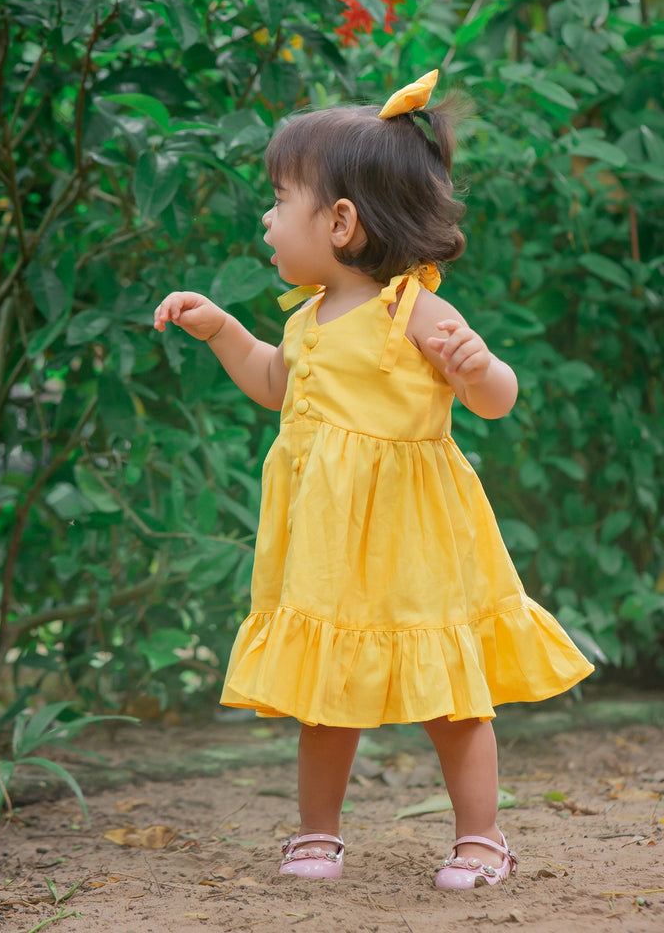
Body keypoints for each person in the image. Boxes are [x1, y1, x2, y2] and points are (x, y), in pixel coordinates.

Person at [153, 70, 594, 890]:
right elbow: (277, 385)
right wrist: (221, 331)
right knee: (327, 695)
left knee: (448, 689)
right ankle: (317, 835)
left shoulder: (411, 309)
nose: (268, 217)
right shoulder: (306, 315)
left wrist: (481, 367)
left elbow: (495, 401)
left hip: (412, 535)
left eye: (280, 199)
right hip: (330, 547)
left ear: (343, 222)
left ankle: (481, 838)